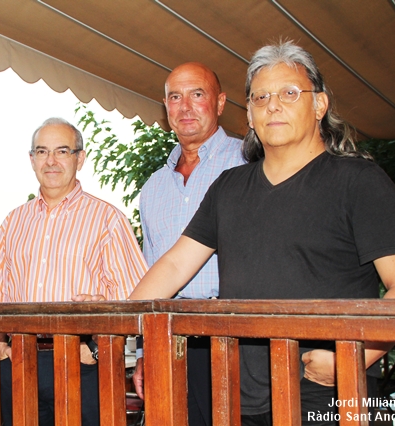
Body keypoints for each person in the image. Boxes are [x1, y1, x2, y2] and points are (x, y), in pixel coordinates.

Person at [129, 41, 395, 425]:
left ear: (319, 105)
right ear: (250, 115)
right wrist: (117, 325)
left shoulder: (359, 182)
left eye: (289, 93)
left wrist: (355, 354)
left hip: (331, 392)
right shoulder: (228, 188)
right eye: (261, 97)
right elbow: (172, 266)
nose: (273, 105)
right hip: (240, 396)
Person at [0, 117, 148, 426]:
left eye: (62, 151)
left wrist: (93, 348)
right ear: (32, 160)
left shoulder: (108, 220)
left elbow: (136, 299)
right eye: (42, 151)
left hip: (83, 364)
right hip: (20, 363)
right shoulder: (13, 222)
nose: (51, 161)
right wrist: (1, 346)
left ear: (80, 158)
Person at [133, 62, 245, 426]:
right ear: (165, 108)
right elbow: (152, 272)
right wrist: (143, 352)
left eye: (197, 94)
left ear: (220, 102)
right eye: (174, 97)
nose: (185, 107)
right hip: (169, 340)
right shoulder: (153, 187)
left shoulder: (249, 163)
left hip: (234, 338)